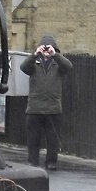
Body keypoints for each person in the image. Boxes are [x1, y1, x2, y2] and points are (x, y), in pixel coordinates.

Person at [19, 35, 72, 171]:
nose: (47, 51)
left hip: (53, 109)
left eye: (50, 49)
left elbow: (69, 66)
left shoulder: (58, 64)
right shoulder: (34, 63)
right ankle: (33, 161)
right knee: (33, 139)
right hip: (35, 108)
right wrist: (35, 54)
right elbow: (23, 67)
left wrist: (56, 55)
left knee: (53, 140)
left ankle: (51, 162)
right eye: (45, 49)